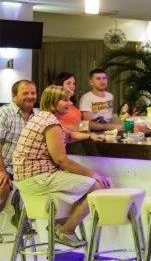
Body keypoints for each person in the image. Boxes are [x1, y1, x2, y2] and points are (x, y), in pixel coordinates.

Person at [12, 85, 111, 248]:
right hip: (38, 178)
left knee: (87, 185)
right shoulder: (50, 123)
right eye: (65, 100)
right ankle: (66, 230)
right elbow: (61, 161)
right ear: (53, 102)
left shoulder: (41, 116)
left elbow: (68, 135)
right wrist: (92, 174)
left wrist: (90, 136)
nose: (70, 103)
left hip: (26, 179)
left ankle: (58, 225)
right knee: (98, 185)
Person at [0, 80, 37, 228]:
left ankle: (21, 217)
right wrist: (1, 170)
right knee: (2, 186)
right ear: (14, 96)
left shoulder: (38, 115)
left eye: (33, 93)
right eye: (25, 93)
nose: (30, 96)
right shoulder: (5, 113)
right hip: (5, 166)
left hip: (26, 170)